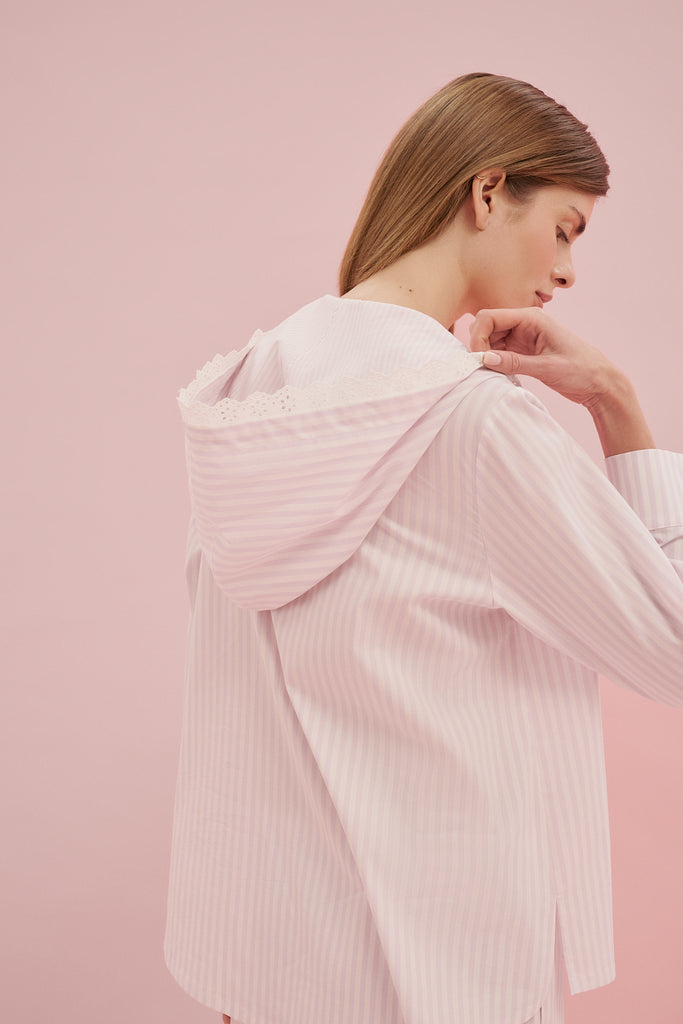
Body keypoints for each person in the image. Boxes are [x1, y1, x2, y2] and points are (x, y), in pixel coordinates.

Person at [164, 73, 683, 1024]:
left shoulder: (247, 391)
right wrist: (617, 403)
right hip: (449, 973)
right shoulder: (475, 427)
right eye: (564, 228)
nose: (567, 271)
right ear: (486, 193)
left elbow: (228, 701)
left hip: (270, 970)